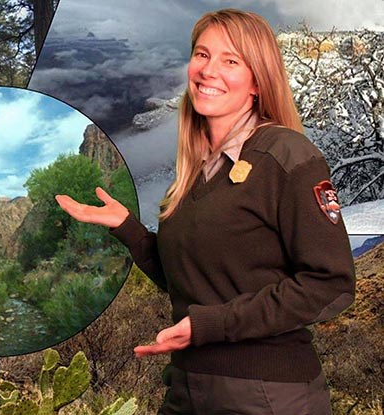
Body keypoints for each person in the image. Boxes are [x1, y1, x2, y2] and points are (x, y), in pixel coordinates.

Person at [55, 9, 355, 415]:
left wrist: (209, 326)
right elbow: (196, 283)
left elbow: (331, 286)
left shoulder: (287, 156)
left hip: (267, 395)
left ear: (257, 81)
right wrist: (127, 228)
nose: (208, 70)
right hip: (188, 389)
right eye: (202, 55)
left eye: (231, 61)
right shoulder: (199, 170)